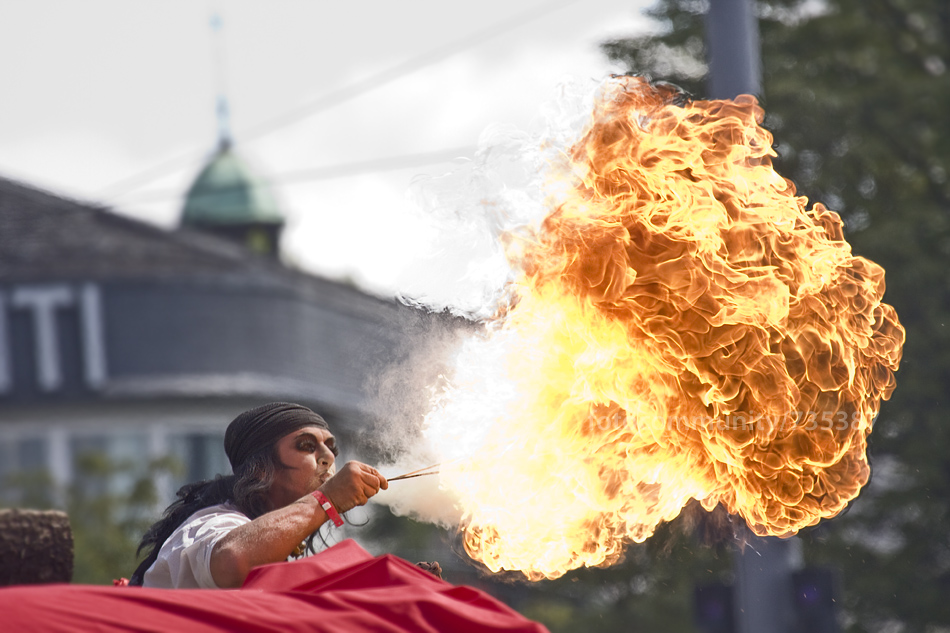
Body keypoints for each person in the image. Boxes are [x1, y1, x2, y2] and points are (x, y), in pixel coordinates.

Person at [130, 402, 391, 589]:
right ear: (262, 467)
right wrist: (326, 500)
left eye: (331, 448)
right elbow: (232, 560)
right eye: (306, 446)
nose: (329, 457)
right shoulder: (213, 522)